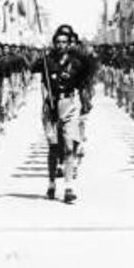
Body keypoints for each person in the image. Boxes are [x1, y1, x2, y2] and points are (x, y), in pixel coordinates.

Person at [32, 27, 90, 204]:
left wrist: (85, 103)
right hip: (51, 105)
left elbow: (83, 85)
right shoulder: (47, 61)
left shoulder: (76, 63)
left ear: (68, 44)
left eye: (64, 42)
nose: (61, 45)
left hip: (69, 104)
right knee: (53, 148)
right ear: (53, 44)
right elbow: (32, 67)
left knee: (69, 147)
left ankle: (68, 187)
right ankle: (51, 183)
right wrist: (37, 51)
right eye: (57, 42)